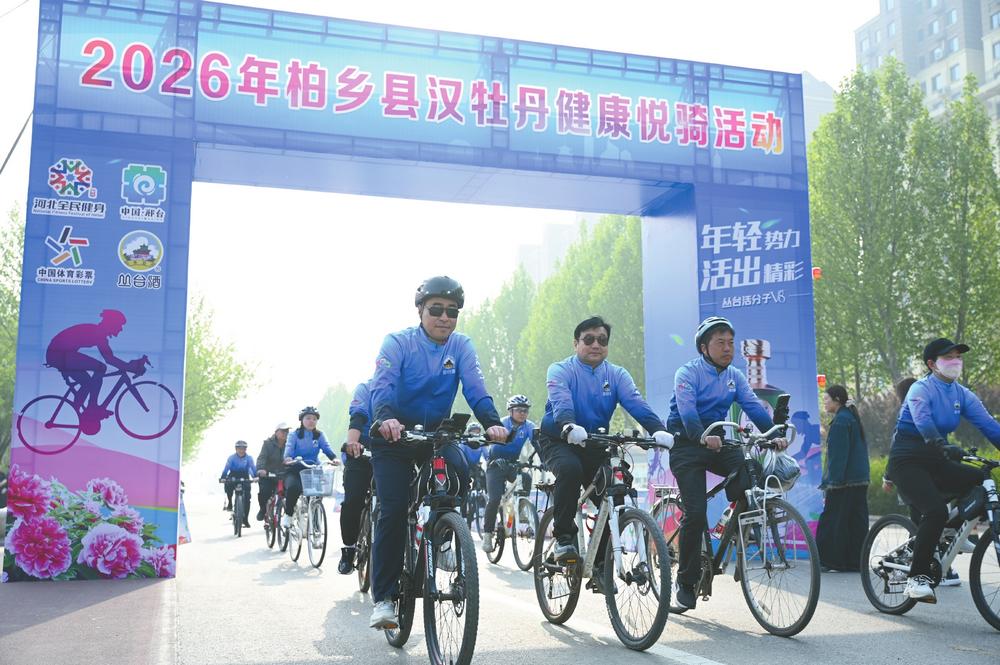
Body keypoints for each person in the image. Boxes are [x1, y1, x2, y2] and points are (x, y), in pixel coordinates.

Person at [368, 276, 509, 630]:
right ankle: (384, 598)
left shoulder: (461, 346)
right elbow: (382, 387)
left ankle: (444, 536)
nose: (445, 317)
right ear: (420, 310)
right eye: (436, 310)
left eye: (452, 311)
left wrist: (492, 423)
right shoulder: (397, 342)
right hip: (393, 436)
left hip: (435, 435)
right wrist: (386, 418)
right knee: (394, 509)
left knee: (458, 473)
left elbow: (476, 389)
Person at [665, 316, 788, 610]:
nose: (727, 348)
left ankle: (736, 532)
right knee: (696, 512)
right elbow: (687, 412)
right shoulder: (688, 373)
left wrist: (774, 435)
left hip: (718, 441)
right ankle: (686, 582)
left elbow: (753, 408)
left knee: (750, 473)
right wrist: (701, 436)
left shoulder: (735, 375)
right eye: (720, 342)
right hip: (687, 443)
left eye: (731, 342)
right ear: (704, 348)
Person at [538, 315, 674, 580]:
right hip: (559, 439)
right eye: (588, 339)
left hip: (595, 443)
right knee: (570, 469)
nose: (596, 345)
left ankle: (600, 564)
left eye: (602, 340)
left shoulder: (616, 374)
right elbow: (561, 402)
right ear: (576, 343)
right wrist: (568, 424)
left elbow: (636, 403)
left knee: (617, 492)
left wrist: (658, 429)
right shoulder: (560, 370)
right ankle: (564, 538)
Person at [887, 338, 1000, 603]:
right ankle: (916, 578)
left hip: (937, 457)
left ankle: (949, 532)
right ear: (932, 364)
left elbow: (989, 425)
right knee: (935, 510)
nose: (956, 362)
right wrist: (940, 443)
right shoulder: (920, 388)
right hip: (907, 459)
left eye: (958, 356)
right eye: (948, 357)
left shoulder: (961, 394)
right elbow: (923, 420)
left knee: (979, 480)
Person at [45, 309, 146, 429]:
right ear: (112, 323)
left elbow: (110, 357)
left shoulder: (99, 333)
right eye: (119, 325)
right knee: (100, 368)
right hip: (59, 355)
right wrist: (131, 367)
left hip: (59, 355)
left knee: (87, 382)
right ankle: (92, 407)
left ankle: (80, 412)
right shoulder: (98, 333)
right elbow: (109, 359)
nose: (121, 329)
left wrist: (129, 366)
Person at [816, 385, 869, 572]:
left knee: (832, 521)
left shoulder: (840, 422)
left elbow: (838, 457)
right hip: (859, 479)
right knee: (856, 522)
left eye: (826, 399)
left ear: (837, 400)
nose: (824, 403)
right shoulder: (851, 418)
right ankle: (855, 562)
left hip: (844, 482)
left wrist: (833, 482)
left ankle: (830, 561)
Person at [481, 395, 536, 553]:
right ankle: (487, 534)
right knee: (494, 499)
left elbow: (537, 443)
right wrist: (492, 458)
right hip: (495, 464)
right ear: (510, 411)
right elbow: (487, 442)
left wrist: (545, 460)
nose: (522, 413)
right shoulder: (502, 423)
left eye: (525, 410)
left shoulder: (529, 426)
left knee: (526, 477)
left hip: (512, 463)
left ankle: (522, 508)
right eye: (519, 410)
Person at [339, 380, 375, 575]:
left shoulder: (405, 384)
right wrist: (352, 442)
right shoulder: (365, 388)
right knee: (353, 499)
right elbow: (358, 415)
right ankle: (349, 549)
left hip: (393, 451)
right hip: (361, 452)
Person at [281, 406, 338, 528]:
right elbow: (289, 448)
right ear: (302, 420)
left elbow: (327, 448)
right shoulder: (294, 435)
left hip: (313, 469)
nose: (311, 421)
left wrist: (334, 458)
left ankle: (316, 526)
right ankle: (288, 515)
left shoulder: (319, 435)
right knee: (293, 488)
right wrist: (288, 458)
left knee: (316, 496)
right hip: (295, 468)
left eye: (314, 419)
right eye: (308, 418)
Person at [255, 422, 291, 521]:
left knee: (291, 492)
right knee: (264, 492)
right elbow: (262, 458)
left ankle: (288, 516)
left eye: (287, 431)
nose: (285, 433)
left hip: (284, 474)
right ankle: (263, 510)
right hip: (269, 474)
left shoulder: (290, 443)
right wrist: (261, 469)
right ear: (276, 432)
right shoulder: (267, 444)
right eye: (282, 431)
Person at [220, 440, 257, 528]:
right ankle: (230, 502)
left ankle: (245, 519)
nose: (241, 450)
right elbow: (226, 468)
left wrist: (255, 476)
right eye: (239, 448)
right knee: (228, 485)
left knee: (247, 498)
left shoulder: (249, 458)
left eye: (243, 448)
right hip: (233, 475)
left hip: (244, 476)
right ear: (236, 449)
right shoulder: (231, 458)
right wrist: (223, 477)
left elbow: (252, 468)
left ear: (246, 449)